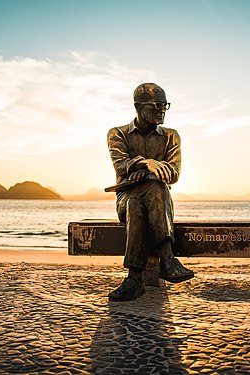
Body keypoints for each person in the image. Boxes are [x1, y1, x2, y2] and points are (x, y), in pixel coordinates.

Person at [106, 83, 194, 301]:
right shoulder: (118, 134)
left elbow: (173, 174)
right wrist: (148, 163)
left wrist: (144, 172)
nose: (162, 110)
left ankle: (134, 278)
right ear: (138, 107)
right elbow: (120, 166)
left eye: (165, 105)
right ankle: (167, 259)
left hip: (157, 201)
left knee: (149, 191)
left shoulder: (171, 136)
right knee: (134, 200)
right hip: (125, 197)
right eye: (156, 105)